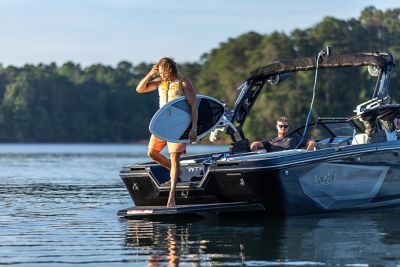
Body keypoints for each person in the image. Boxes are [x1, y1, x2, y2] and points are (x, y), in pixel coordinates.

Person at [136, 57, 198, 207]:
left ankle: (172, 197)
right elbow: (140, 89)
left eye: (162, 70)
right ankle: (176, 172)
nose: (160, 73)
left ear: (169, 69)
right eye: (159, 70)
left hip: (178, 126)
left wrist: (194, 128)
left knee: (175, 157)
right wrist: (151, 73)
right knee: (152, 153)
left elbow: (194, 106)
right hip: (161, 125)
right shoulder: (159, 82)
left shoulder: (183, 82)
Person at [250, 116, 316, 152]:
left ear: (288, 127)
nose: (283, 128)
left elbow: (309, 141)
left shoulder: (294, 137)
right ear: (276, 127)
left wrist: (311, 144)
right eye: (280, 126)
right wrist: (254, 145)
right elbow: (257, 144)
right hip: (275, 163)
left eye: (285, 126)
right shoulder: (270, 141)